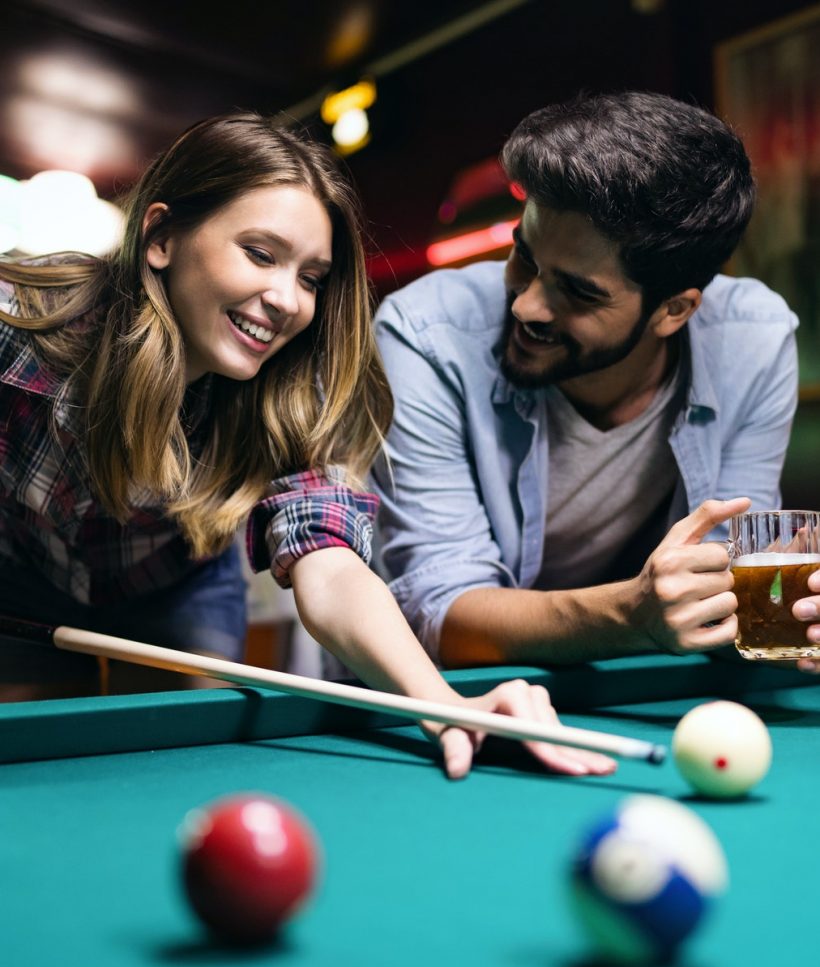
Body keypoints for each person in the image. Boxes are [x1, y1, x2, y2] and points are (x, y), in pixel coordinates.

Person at [0, 111, 615, 778]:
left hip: (173, 584)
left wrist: (443, 706)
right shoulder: (19, 331)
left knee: (172, 774)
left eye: (311, 277)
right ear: (160, 236)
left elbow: (331, 567)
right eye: (261, 254)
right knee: (33, 771)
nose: (288, 300)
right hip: (20, 582)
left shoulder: (284, 394)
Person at [371, 90, 819, 671]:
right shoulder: (425, 333)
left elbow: (729, 572)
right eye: (525, 258)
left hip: (643, 686)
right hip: (449, 694)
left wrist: (794, 626)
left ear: (673, 311)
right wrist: (631, 613)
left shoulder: (754, 340)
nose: (528, 306)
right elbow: (438, 614)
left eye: (578, 291)